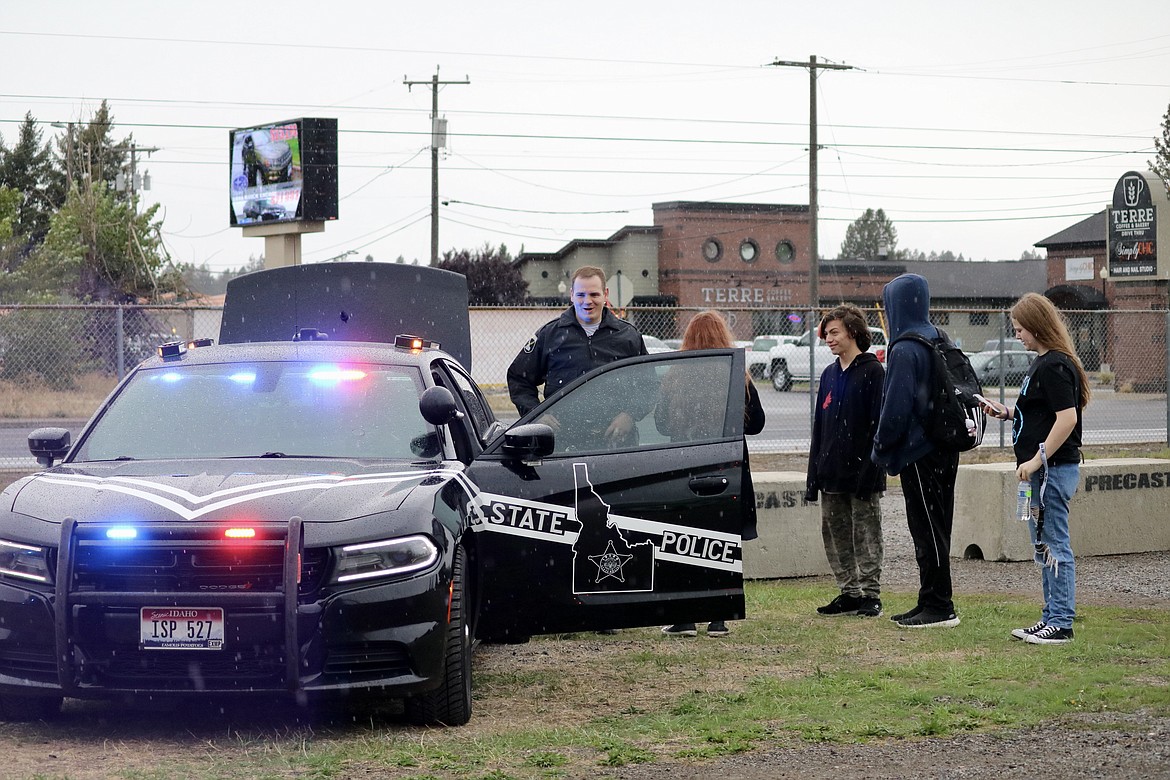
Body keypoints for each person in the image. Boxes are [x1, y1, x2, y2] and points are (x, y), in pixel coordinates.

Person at [981, 293, 1090, 645]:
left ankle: (1061, 622)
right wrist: (1009, 413)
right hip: (1037, 474)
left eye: (1020, 329)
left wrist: (1036, 459)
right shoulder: (1041, 363)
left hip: (1050, 472)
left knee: (1054, 543)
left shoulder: (1056, 365)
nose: (1017, 336)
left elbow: (1067, 418)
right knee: (1042, 545)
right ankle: (1050, 616)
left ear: (1039, 327)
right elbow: (1041, 413)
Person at [656, 310, 765, 638]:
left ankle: (685, 618)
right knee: (724, 540)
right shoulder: (736, 375)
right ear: (723, 337)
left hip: (686, 463)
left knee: (683, 540)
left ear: (687, 339)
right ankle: (720, 616)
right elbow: (756, 423)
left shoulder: (676, 374)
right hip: (726, 466)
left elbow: (661, 423)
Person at [871, 273, 961, 629]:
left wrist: (880, 449)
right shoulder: (939, 337)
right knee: (937, 525)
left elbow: (895, 408)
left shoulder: (905, 347)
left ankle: (939, 605)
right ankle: (930, 599)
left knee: (926, 529)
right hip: (944, 445)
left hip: (919, 453)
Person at [507, 265, 648, 448]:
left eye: (594, 295)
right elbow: (519, 378)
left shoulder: (628, 336)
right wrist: (536, 414)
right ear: (572, 295)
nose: (587, 301)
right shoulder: (550, 335)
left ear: (605, 294)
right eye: (581, 295)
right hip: (562, 445)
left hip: (616, 444)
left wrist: (630, 415)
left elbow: (648, 382)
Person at [806, 305, 887, 618]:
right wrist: (814, 474)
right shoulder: (828, 375)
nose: (829, 339)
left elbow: (878, 425)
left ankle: (871, 594)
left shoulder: (873, 372)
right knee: (836, 533)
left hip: (862, 474)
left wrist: (871, 469)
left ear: (853, 331)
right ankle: (848, 592)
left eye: (834, 332)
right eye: (826, 334)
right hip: (831, 475)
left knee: (866, 533)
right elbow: (819, 427)